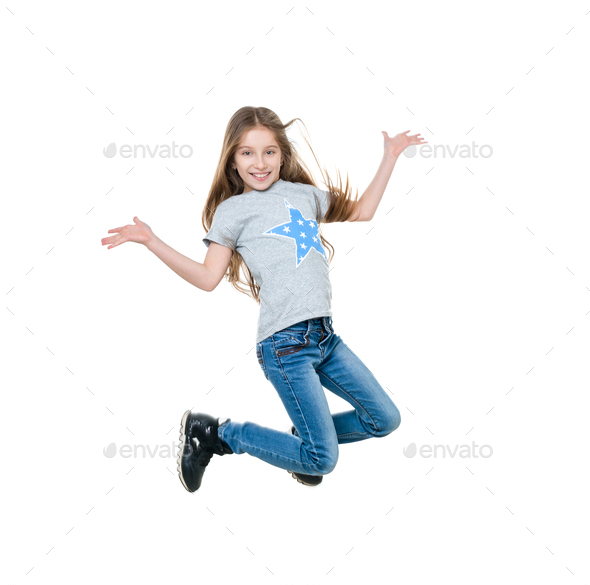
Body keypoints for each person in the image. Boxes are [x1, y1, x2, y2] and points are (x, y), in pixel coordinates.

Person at [101, 106, 427, 493]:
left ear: (282, 155)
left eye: (269, 152)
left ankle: (301, 440)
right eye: (247, 153)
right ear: (233, 161)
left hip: (324, 338)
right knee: (323, 460)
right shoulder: (232, 212)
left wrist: (390, 156)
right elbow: (207, 278)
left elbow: (363, 211)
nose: (260, 163)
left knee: (384, 418)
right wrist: (153, 241)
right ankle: (216, 434)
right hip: (284, 346)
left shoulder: (303, 195)